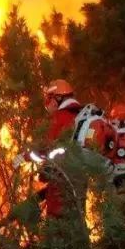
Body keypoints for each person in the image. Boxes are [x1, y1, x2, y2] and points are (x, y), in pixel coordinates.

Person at [39, 80, 84, 219]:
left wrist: (25, 156)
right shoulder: (81, 114)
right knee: (77, 219)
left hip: (61, 179)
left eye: (49, 98)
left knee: (57, 223)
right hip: (80, 179)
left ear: (57, 98)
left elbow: (46, 147)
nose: (48, 103)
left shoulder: (60, 117)